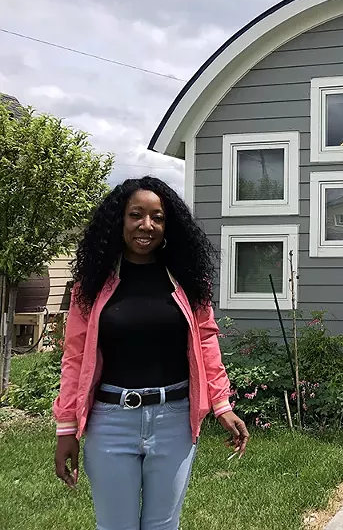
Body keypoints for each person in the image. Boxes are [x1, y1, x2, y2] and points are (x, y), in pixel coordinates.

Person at [52, 176, 248, 530]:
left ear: (168, 224)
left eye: (157, 217)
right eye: (136, 215)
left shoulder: (188, 280)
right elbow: (75, 356)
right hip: (110, 422)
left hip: (174, 420)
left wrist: (222, 405)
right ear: (120, 221)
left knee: (162, 526)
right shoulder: (92, 285)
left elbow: (206, 341)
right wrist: (66, 428)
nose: (147, 225)